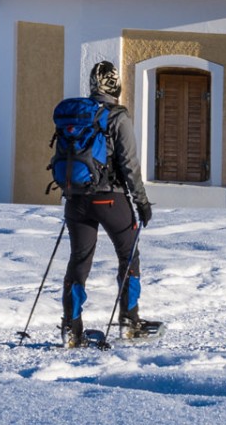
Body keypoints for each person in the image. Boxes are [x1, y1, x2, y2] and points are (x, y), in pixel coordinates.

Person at [59, 60, 155, 346]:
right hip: (110, 199)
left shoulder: (76, 117)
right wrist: (142, 202)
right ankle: (129, 321)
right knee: (128, 256)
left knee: (79, 260)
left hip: (76, 199)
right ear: (117, 86)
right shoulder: (118, 118)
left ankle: (71, 329)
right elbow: (129, 166)